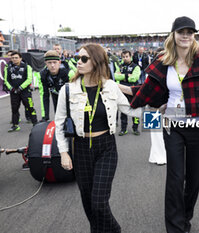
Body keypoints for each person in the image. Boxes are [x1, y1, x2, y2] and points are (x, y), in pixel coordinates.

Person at [119, 16, 199, 233]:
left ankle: (185, 217)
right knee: (175, 178)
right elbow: (145, 91)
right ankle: (175, 228)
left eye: (190, 32)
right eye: (181, 31)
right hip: (171, 125)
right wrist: (117, 87)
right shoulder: (162, 61)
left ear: (194, 36)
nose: (185, 35)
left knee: (193, 180)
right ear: (173, 34)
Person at [55, 43, 141, 233]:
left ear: (97, 62)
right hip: (81, 147)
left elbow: (129, 110)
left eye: (84, 59)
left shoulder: (110, 86)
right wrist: (63, 153)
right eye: (78, 57)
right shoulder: (67, 90)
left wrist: (161, 113)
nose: (79, 62)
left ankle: (115, 229)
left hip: (106, 147)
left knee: (99, 201)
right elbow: (59, 124)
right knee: (87, 200)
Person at [4, 51, 38, 132]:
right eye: (12, 58)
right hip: (14, 92)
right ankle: (15, 125)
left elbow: (29, 79)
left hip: (25, 91)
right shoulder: (7, 67)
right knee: (14, 109)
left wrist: (20, 88)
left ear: (20, 58)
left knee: (30, 107)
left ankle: (35, 123)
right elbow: (6, 79)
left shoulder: (27, 66)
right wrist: (11, 88)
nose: (14, 59)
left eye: (16, 58)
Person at [37, 50, 70, 121]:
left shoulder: (68, 73)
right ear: (46, 63)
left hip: (69, 96)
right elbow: (44, 95)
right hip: (55, 93)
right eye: (49, 63)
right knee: (58, 115)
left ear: (59, 62)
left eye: (55, 62)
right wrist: (45, 116)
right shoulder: (43, 75)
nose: (52, 65)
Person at [115, 50, 141, 135]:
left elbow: (134, 78)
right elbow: (116, 76)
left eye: (127, 56)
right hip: (122, 92)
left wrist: (122, 76)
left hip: (133, 91)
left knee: (135, 110)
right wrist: (127, 76)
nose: (125, 58)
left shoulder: (136, 67)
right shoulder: (120, 66)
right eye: (123, 57)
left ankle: (135, 128)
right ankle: (123, 129)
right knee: (123, 111)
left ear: (131, 57)